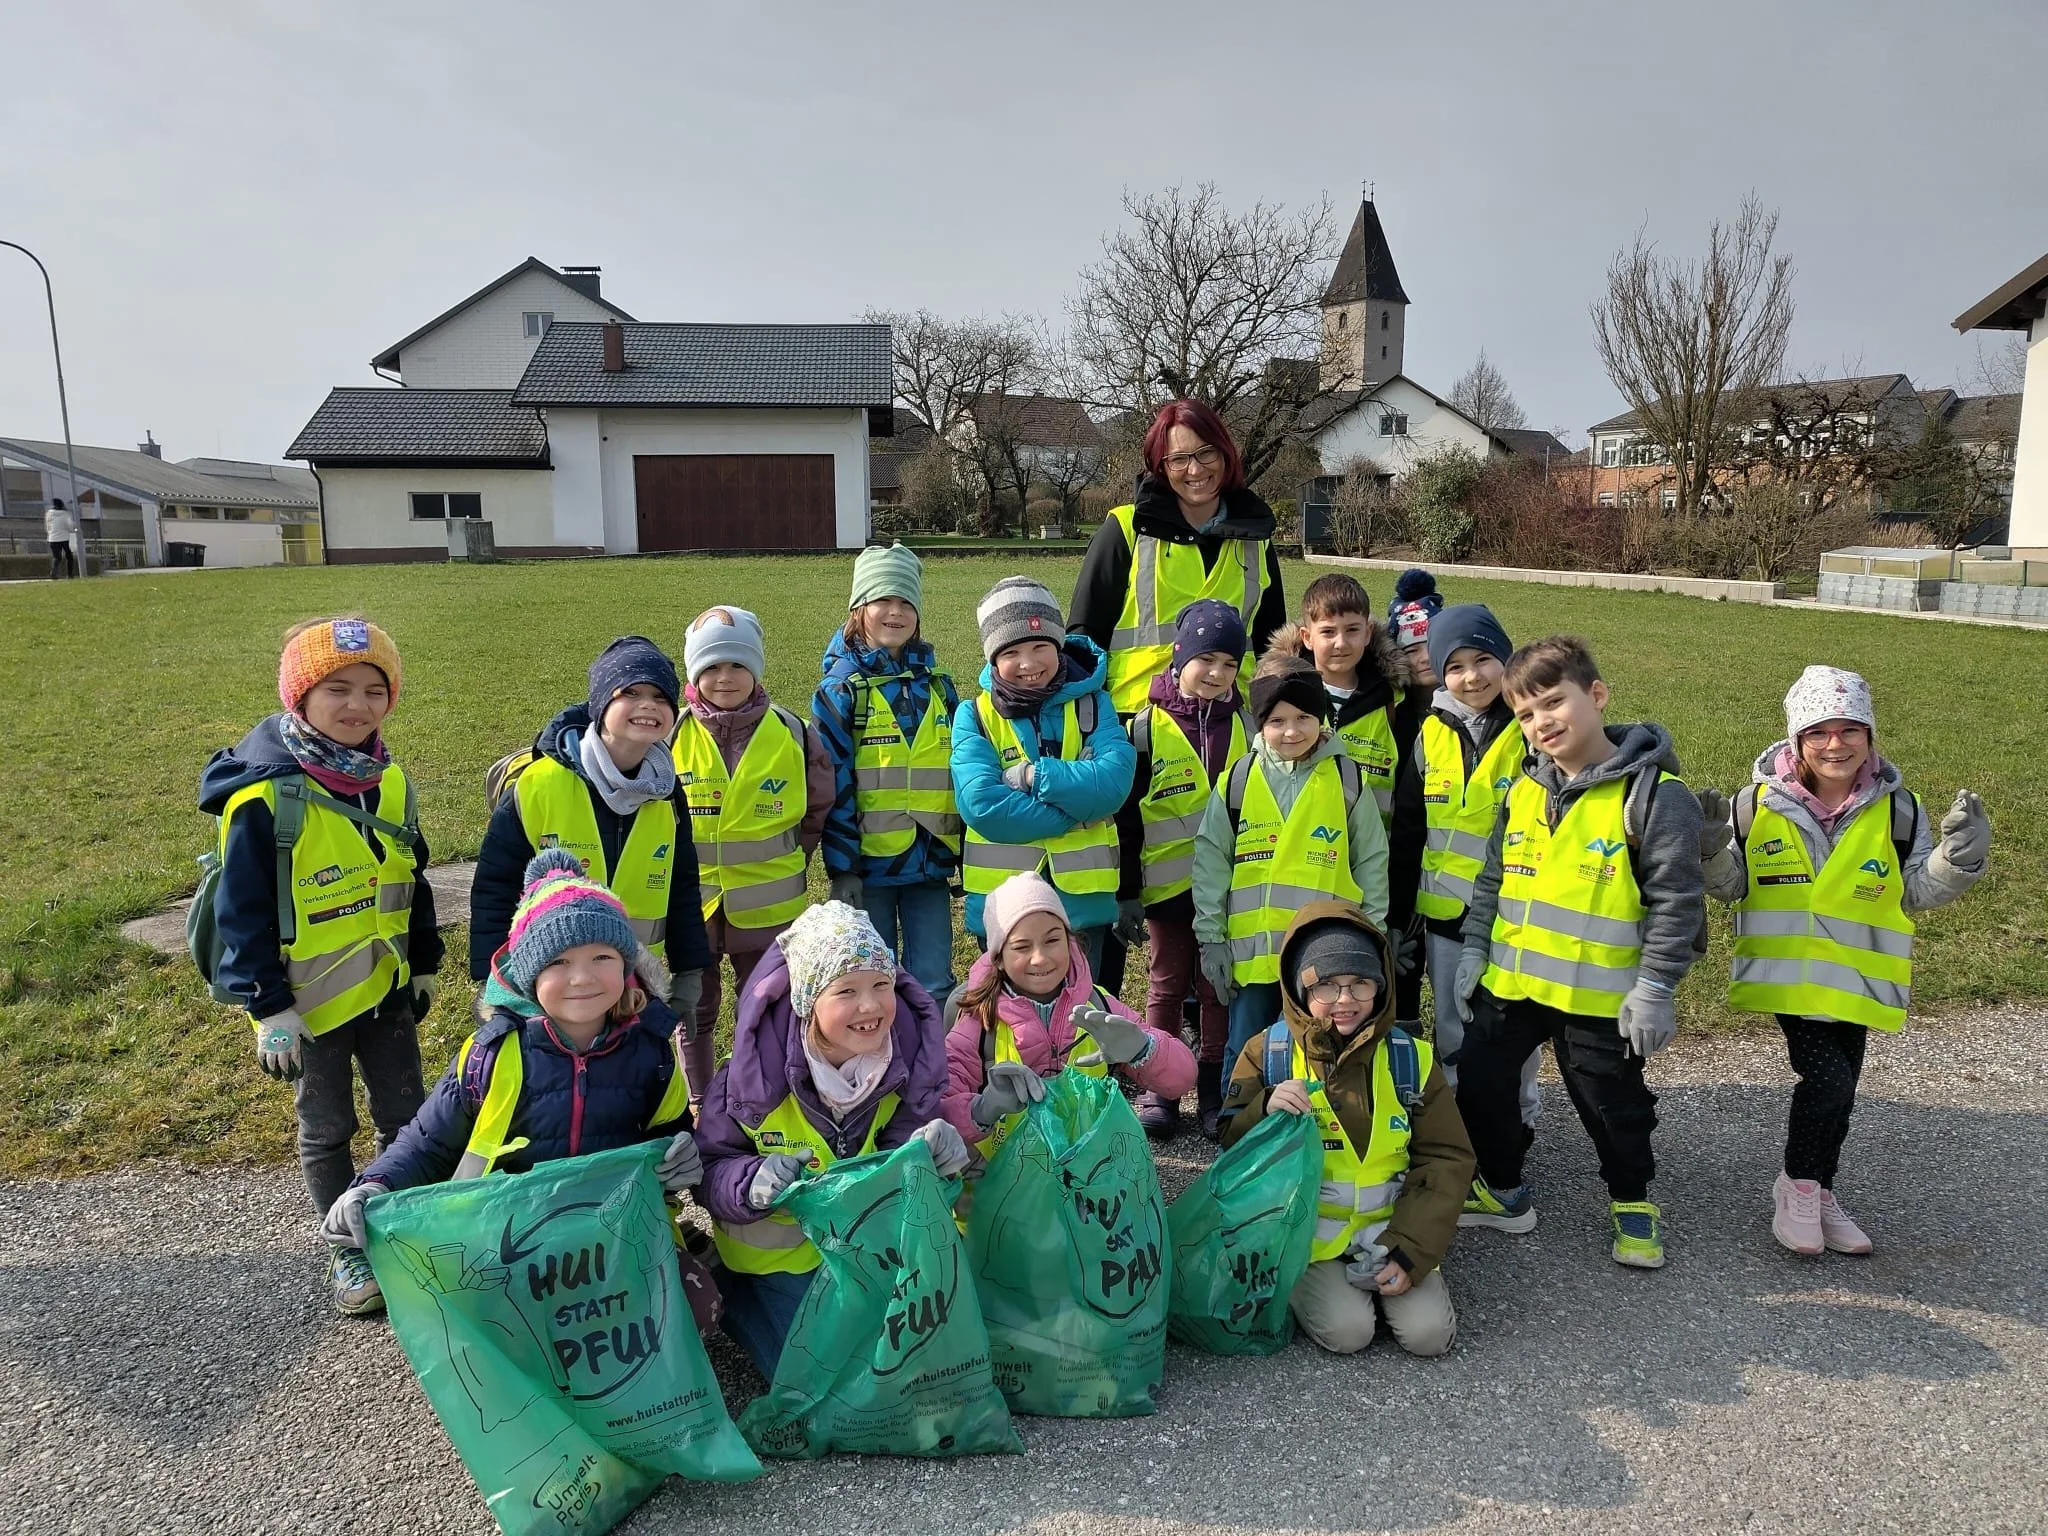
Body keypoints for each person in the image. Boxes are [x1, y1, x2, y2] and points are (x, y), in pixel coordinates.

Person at [329, 851, 719, 1335]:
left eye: (602, 957)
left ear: (626, 966)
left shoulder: (652, 1050)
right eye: (558, 961)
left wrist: (683, 1155)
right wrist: (374, 1186)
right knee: (489, 1334)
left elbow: (670, 1134)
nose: (582, 977)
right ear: (529, 975)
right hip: (506, 1241)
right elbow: (426, 1143)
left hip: (612, 1233)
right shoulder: (491, 1055)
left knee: (697, 1313)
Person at [1701, 665, 1990, 1257]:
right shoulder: (1754, 806)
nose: (1835, 744)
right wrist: (1707, 851)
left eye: (1850, 729)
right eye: (1818, 732)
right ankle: (1798, 1187)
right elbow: (1732, 886)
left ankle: (1822, 1189)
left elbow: (1914, 891)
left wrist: (1958, 861)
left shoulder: (1900, 810)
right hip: (1788, 977)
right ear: (1796, 738)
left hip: (1859, 981)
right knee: (1828, 1083)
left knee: (1843, 1090)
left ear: (1870, 734)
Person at [197, 617, 440, 1315]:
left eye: (374, 690)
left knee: (407, 1120)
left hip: (387, 992)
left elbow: (413, 877)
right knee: (328, 1128)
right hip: (308, 1008)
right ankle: (347, 1246)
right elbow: (242, 916)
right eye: (337, 689)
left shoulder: (390, 781)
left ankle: (401, 1229)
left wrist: (424, 960)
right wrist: (268, 1007)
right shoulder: (261, 799)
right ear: (299, 697)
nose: (358, 705)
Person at [1451, 636, 1705, 1270]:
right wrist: (1474, 949)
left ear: (1597, 695)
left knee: (1611, 1107)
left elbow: (1677, 903)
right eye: (1525, 714)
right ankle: (1503, 1189)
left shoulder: (1654, 796)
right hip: (1511, 985)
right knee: (1480, 1084)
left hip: (1598, 996)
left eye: (1553, 702)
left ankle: (1632, 1200)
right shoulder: (1523, 790)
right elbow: (1492, 879)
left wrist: (1656, 989)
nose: (1541, 723)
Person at [695, 902, 960, 1379]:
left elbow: (903, 1148)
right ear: (807, 1000)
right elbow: (708, 1169)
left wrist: (934, 1150)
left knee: (921, 1354)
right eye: (846, 991)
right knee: (820, 1376)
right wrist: (751, 1181)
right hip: (776, 1263)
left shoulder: (907, 1059)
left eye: (881, 985)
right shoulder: (748, 1080)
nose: (870, 1006)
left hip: (864, 1252)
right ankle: (734, 1293)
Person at [1219, 902, 1472, 1356]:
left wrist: (1410, 1251)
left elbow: (1446, 1159)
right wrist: (1263, 1108)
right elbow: (1231, 1145)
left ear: (1381, 985)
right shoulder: (1268, 1052)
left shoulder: (1411, 1059)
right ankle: (1297, 1281)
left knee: (1428, 1336)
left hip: (1391, 1231)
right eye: (1327, 985)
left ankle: (1394, 1271)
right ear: (1299, 989)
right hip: (1309, 1240)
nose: (1345, 999)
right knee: (1349, 1332)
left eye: (1361, 983)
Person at [469, 635, 708, 1037]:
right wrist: (491, 982)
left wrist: (689, 969)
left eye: (660, 696)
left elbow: (682, 886)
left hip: (634, 987)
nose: (648, 705)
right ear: (600, 704)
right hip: (551, 986)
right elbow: (495, 885)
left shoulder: (667, 791)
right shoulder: (538, 785)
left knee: (628, 1073)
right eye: (630, 692)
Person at [1194, 653, 1390, 1073]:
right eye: (1277, 720)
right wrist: (1211, 937)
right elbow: (1211, 861)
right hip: (1254, 957)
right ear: (1260, 723)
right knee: (1246, 1049)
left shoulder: (1347, 779)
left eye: (1303, 718)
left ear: (1321, 718)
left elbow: (1372, 860)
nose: (1291, 731)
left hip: (1325, 958)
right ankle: (1239, 1113)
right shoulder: (1237, 780)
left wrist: (1373, 936)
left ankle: (1319, 1116)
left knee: (1319, 1052)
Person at [673, 605, 834, 1107]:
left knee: (763, 1006)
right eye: (712, 667)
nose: (725, 678)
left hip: (770, 910)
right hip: (691, 909)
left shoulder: (792, 732)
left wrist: (788, 857)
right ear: (694, 674)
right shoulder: (670, 735)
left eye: (738, 665)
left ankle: (755, 1097)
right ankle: (700, 1101)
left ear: (757, 669)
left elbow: (817, 808)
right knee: (693, 1009)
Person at [1391, 604, 1542, 1126]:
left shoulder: (1531, 729)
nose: (1471, 677)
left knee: (1514, 1024)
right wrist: (1399, 916)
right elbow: (1408, 831)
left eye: (1483, 660)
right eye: (1454, 666)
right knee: (1453, 1023)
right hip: (1445, 917)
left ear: (1507, 660)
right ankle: (1462, 1122)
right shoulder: (1429, 733)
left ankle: (1519, 1118)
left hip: (1515, 914)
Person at [940, 873, 1195, 1168]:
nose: (1040, 958)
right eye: (1022, 946)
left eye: (1052, 940)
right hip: (1006, 1183)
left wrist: (1144, 1049)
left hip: (1090, 1176)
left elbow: (1182, 1080)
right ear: (998, 958)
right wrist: (982, 1109)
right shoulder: (977, 1018)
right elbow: (939, 1112)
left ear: (1070, 940)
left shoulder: (1098, 1005)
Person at [1113, 597, 1251, 1138]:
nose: (1217, 673)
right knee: (1166, 987)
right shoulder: (1144, 730)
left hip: (1229, 891)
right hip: (1166, 893)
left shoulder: (1248, 726)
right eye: (1206, 659)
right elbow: (1127, 819)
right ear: (1179, 656)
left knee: (1217, 989)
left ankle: (1213, 1088)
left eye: (1230, 664)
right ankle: (1161, 1086)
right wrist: (1128, 891)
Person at [952, 576, 1134, 968]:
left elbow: (1114, 783)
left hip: (1082, 908)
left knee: (1082, 1004)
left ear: (1059, 645)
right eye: (1012, 651)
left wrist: (1033, 777)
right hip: (1003, 908)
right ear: (992, 658)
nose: (1029, 664)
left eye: (1040, 646)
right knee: (1009, 1007)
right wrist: (1078, 811)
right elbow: (982, 806)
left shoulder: (1095, 704)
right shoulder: (974, 715)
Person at [1067, 398, 1287, 719]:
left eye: (1206, 452)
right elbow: (1083, 639)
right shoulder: (1125, 529)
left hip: (1231, 721)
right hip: (1137, 721)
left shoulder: (1257, 539)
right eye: (1179, 459)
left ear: (1225, 454)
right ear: (1161, 466)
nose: (1195, 470)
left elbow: (1274, 644)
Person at [812, 543, 962, 1009]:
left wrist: (964, 854)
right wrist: (843, 868)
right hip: (869, 870)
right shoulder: (840, 689)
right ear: (859, 608)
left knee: (934, 984)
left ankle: (933, 1058)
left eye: (906, 602)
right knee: (872, 985)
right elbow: (833, 786)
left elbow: (959, 774)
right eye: (883, 600)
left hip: (930, 863)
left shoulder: (939, 685)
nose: (895, 613)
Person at [1265, 572, 1415, 830]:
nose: (1341, 643)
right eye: (1328, 632)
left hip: (1369, 849)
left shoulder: (1394, 703)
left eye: (1352, 630)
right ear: (1307, 637)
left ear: (1368, 633)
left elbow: (1406, 795)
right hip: (1294, 848)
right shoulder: (1277, 696)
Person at [1382, 567, 1446, 1037]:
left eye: (1429, 645)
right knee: (1403, 958)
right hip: (1402, 860)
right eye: (1408, 649)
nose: (1421, 658)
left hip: (1454, 867)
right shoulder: (1393, 717)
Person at [45, 497, 78, 578]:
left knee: (56, 557)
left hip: (52, 538)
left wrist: (50, 533)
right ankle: (70, 574)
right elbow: (70, 525)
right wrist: (72, 529)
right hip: (64, 538)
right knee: (69, 557)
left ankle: (53, 573)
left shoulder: (49, 514)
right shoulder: (65, 514)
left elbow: (48, 526)